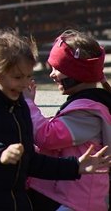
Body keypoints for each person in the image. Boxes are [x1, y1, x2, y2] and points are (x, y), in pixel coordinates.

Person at [0, 30, 111, 211]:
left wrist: (75, 167)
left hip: (55, 199)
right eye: (19, 77)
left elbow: (37, 151)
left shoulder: (86, 111)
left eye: (28, 76)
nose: (25, 83)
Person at [26, 31, 111, 211]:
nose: (52, 74)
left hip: (77, 201)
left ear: (76, 73)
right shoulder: (86, 105)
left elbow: (46, 137)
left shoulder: (87, 112)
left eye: (57, 69)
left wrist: (28, 104)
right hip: (69, 196)